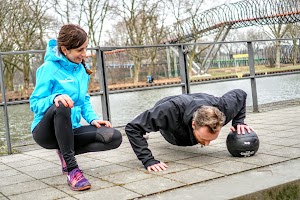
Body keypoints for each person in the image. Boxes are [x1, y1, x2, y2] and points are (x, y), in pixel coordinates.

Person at [29, 24, 122, 191]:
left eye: (85, 48)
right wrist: (54, 97)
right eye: (80, 50)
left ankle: (65, 152)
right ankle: (72, 170)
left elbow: (84, 100)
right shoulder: (48, 69)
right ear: (65, 50)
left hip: (71, 129)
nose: (84, 54)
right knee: (62, 105)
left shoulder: (80, 69)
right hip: (45, 133)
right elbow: (35, 104)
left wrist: (93, 119)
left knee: (113, 136)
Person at [125, 89, 253, 172]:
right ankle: (146, 128)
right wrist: (148, 160)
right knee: (141, 125)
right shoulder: (169, 111)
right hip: (171, 122)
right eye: (203, 139)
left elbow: (241, 94)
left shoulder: (223, 108)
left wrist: (238, 122)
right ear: (193, 124)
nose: (207, 144)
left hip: (199, 99)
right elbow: (131, 128)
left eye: (210, 139)